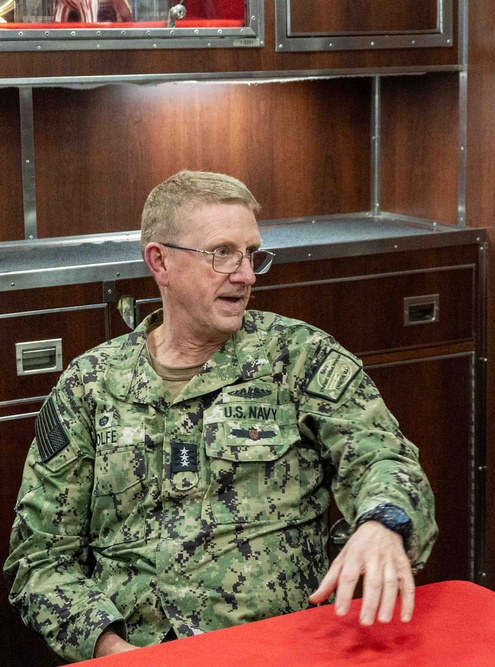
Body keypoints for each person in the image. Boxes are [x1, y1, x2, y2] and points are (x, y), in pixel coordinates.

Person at [4, 170, 438, 662]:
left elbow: (387, 460)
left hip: (281, 648)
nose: (246, 274)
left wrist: (384, 522)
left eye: (252, 254)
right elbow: (40, 559)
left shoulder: (299, 358)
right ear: (160, 262)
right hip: (137, 654)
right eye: (222, 253)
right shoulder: (91, 384)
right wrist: (113, 649)